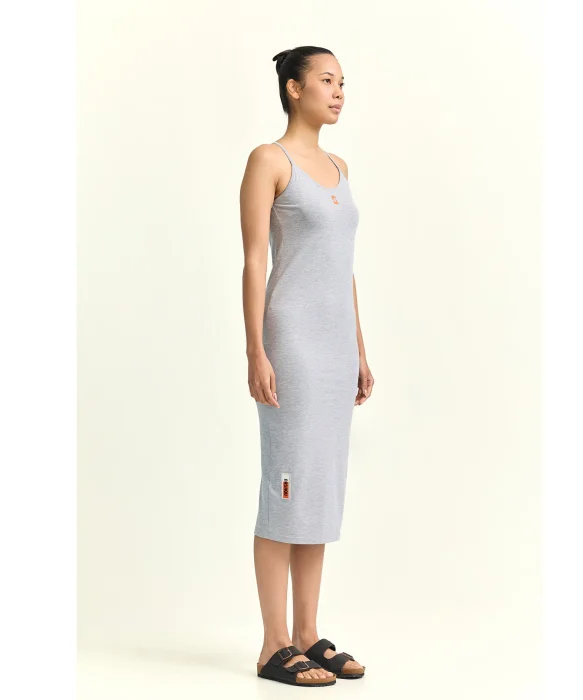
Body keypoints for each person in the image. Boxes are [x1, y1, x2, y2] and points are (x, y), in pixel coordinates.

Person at [240, 45, 374, 688]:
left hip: (336, 347)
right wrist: (255, 349)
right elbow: (254, 261)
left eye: (343, 82)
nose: (339, 91)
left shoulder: (340, 167)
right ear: (294, 89)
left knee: (318, 488)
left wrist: (360, 348)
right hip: (290, 343)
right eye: (326, 80)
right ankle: (273, 645)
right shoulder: (270, 160)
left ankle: (307, 634)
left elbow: (343, 269)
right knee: (286, 488)